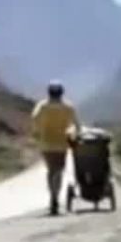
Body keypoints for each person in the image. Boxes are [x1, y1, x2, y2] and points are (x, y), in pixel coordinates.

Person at [30, 80, 81, 215]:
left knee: (51, 170)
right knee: (58, 170)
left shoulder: (42, 106)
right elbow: (76, 124)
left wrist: (37, 133)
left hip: (46, 144)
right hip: (61, 144)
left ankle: (52, 196)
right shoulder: (67, 107)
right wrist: (76, 134)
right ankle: (55, 196)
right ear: (61, 92)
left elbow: (34, 118)